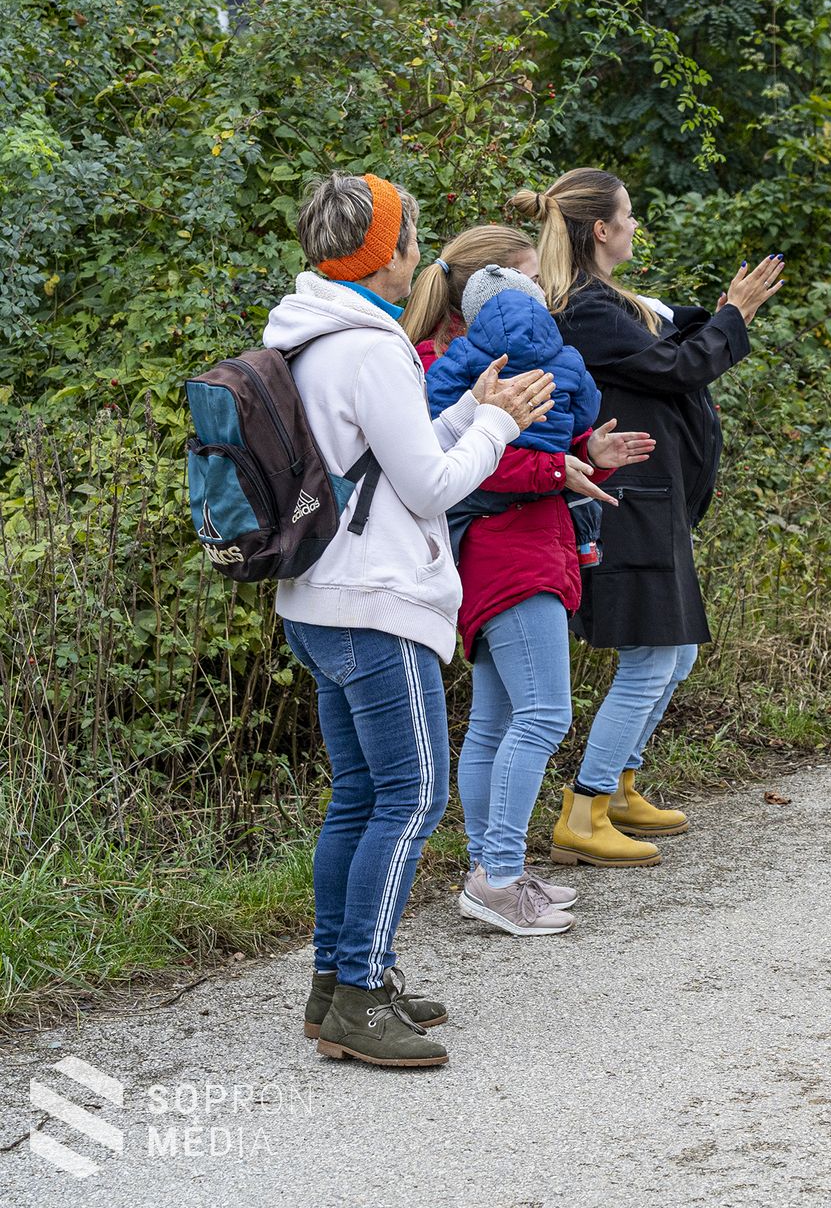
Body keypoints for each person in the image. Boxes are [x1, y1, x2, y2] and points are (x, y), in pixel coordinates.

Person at [267, 173, 554, 1067]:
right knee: (411, 795)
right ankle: (359, 996)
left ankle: (341, 983)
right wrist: (500, 428)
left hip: (319, 596)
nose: (419, 250)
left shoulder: (311, 336)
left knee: (358, 795)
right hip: (377, 602)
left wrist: (472, 406)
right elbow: (432, 485)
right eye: (410, 235)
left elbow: (389, 455)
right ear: (384, 252)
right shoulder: (372, 347)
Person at [517, 169, 786, 867]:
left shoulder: (609, 301)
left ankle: (624, 785)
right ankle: (585, 809)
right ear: (600, 229)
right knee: (653, 655)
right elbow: (681, 367)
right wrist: (737, 314)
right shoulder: (584, 309)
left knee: (677, 650)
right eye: (628, 216)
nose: (637, 226)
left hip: (651, 499)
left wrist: (722, 310)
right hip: (627, 503)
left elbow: (671, 344)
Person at [424, 261, 655, 934]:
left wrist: (590, 451)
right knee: (544, 715)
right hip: (516, 558)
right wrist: (564, 465)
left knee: (496, 722)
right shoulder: (510, 367)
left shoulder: (454, 362)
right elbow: (481, 461)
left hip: (492, 557)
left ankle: (491, 872)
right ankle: (497, 874)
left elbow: (533, 446)